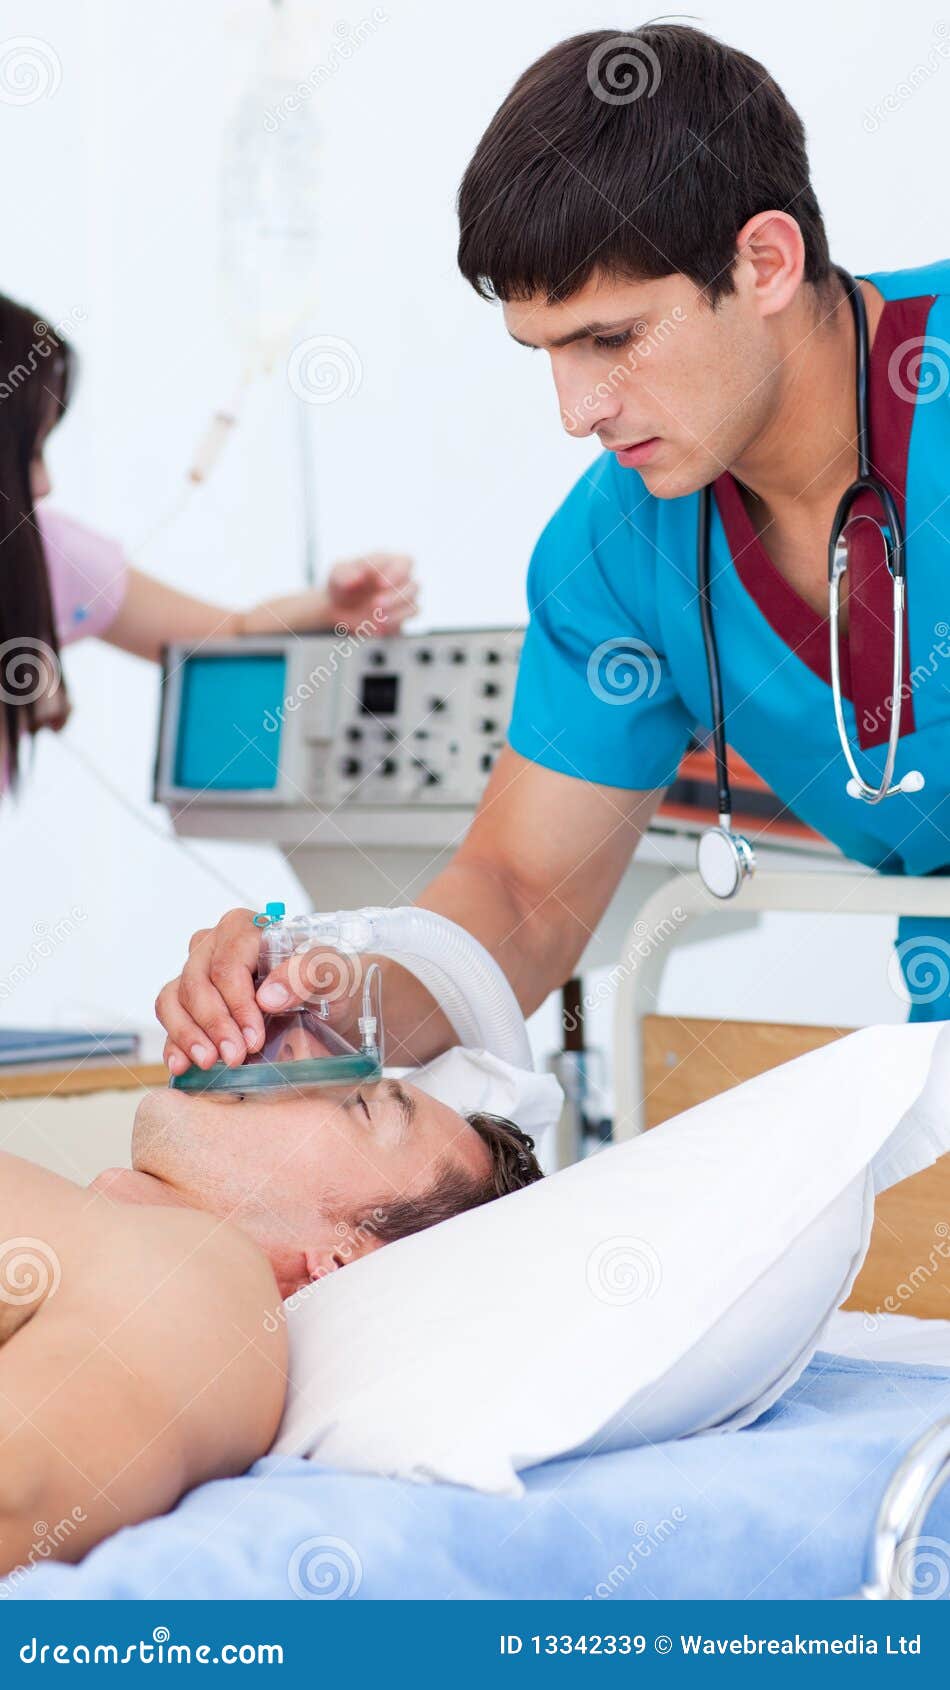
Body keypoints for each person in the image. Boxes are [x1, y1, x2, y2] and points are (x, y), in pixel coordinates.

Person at [156, 21, 950, 1067]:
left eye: (611, 339)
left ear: (763, 262)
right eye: (544, 353)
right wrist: (319, 1002)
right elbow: (520, 895)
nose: (577, 412)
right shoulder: (618, 550)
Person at [0, 1077, 541, 1577]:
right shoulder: (129, 1251)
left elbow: (17, 1492)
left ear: (341, 1258)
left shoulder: (213, 1286)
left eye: (361, 1106)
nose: (293, 1063)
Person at [0, 292, 417, 790]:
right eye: (29, 452)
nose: (46, 483)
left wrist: (330, 609)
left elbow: (226, 633)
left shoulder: (43, 556)